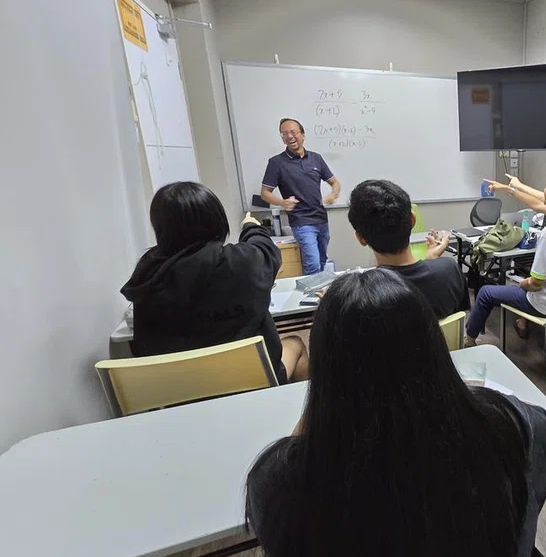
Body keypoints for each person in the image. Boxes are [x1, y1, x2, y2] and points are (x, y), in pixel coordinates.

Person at [245, 269, 546, 557]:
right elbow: (542, 430)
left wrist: (321, 405)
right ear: (433, 348)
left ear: (325, 370)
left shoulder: (277, 481)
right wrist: (454, 393)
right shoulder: (514, 429)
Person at [121, 182, 309, 383]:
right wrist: (251, 226)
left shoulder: (147, 273)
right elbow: (266, 250)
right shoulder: (239, 262)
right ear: (216, 220)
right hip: (252, 380)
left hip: (178, 391)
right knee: (296, 344)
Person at [465, 166, 546, 346]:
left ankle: (468, 341)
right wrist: (511, 189)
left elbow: (535, 284)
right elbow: (538, 204)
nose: (543, 190)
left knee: (485, 292)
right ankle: (521, 325)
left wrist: (521, 283)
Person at [347, 179, 469, 318]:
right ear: (412, 220)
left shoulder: (354, 297)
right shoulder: (449, 270)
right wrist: (430, 260)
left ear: (361, 238)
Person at [260, 118, 342, 274]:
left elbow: (335, 182)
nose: (289, 136)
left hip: (321, 219)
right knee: (313, 264)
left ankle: (321, 294)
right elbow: (264, 193)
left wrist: (333, 194)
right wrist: (282, 202)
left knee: (323, 262)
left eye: (293, 132)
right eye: (284, 134)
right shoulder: (276, 163)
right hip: (301, 222)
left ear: (303, 135)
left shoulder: (316, 158)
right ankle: (310, 297)